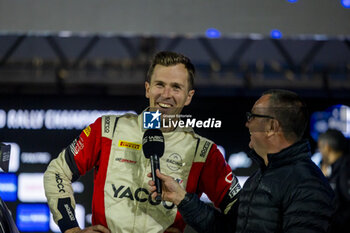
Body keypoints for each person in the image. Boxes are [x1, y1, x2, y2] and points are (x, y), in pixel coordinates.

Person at [43, 51, 240, 233]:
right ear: (147, 89)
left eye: (176, 87)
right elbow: (57, 172)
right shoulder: (108, 129)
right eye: (160, 84)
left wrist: (187, 203)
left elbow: (240, 215)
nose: (166, 94)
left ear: (189, 97)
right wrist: (71, 229)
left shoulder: (202, 152)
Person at [149, 89, 336, 233]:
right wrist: (182, 198)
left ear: (272, 127)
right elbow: (228, 229)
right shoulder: (260, 177)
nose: (247, 123)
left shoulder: (307, 185)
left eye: (253, 117)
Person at [318, 129, 350, 233]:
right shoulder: (333, 169)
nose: (320, 153)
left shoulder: (346, 169)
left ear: (327, 147)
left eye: (320, 148)